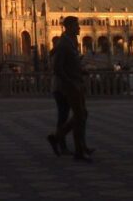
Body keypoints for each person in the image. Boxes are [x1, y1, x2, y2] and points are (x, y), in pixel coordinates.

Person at [47, 16, 94, 162]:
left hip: (74, 83)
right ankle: (77, 151)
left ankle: (58, 138)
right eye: (76, 25)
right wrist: (70, 82)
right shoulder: (64, 44)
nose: (79, 28)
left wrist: (80, 70)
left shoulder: (70, 42)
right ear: (69, 27)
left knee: (81, 114)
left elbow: (68, 64)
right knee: (79, 115)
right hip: (69, 86)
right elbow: (57, 68)